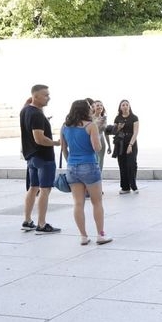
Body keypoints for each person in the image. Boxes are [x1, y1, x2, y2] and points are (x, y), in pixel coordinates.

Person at [60, 100, 112, 245]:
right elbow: (97, 148)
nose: (91, 109)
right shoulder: (91, 126)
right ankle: (101, 235)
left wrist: (70, 161)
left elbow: (64, 148)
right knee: (97, 202)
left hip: (71, 167)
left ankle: (83, 236)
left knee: (78, 203)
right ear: (85, 110)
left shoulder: (65, 126)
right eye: (89, 107)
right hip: (89, 165)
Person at [20, 84, 61, 234]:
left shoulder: (25, 110)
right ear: (35, 96)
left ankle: (27, 220)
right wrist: (56, 143)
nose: (48, 97)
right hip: (43, 157)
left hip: (31, 157)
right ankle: (41, 224)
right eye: (45, 95)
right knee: (45, 189)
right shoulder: (36, 114)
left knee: (33, 187)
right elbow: (39, 138)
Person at [112, 99, 139, 194]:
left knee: (132, 164)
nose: (125, 106)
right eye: (123, 105)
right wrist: (118, 127)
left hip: (131, 141)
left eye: (127, 104)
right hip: (120, 143)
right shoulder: (117, 118)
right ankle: (125, 187)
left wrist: (130, 145)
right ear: (120, 107)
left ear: (129, 106)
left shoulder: (134, 117)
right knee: (122, 164)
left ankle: (133, 185)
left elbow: (135, 132)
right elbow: (114, 131)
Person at [91, 100, 112, 172]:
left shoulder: (104, 118)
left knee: (100, 160)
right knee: (93, 159)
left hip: (101, 139)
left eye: (101, 105)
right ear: (93, 107)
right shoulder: (90, 118)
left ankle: (99, 177)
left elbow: (106, 132)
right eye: (97, 105)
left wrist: (109, 145)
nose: (100, 107)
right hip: (92, 140)